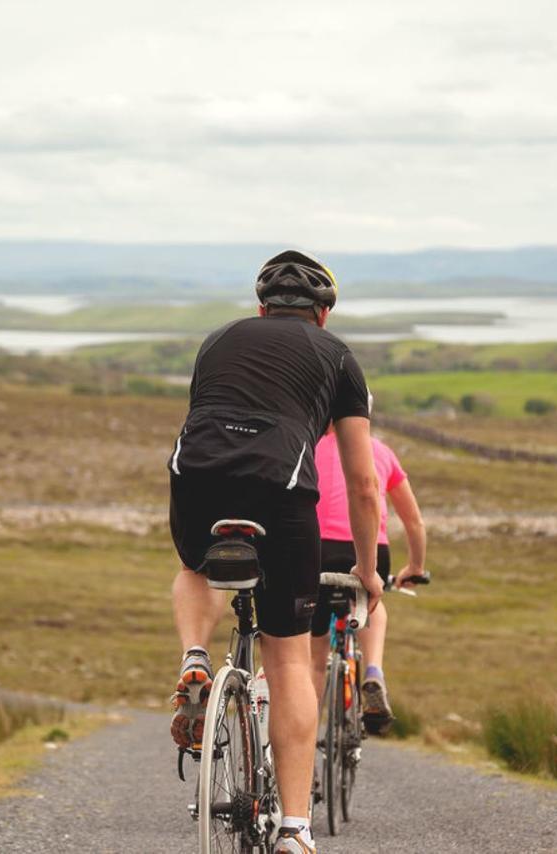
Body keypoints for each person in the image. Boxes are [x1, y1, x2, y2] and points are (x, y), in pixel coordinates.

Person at [167, 249, 382, 854]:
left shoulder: (218, 340)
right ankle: (294, 828)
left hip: (197, 475)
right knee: (288, 661)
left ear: (261, 307)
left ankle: (194, 658)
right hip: (282, 489)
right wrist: (366, 570)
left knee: (193, 567)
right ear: (323, 314)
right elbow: (364, 485)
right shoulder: (338, 356)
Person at [309, 412, 427, 735]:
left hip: (315, 548)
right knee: (372, 603)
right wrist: (415, 567)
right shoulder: (381, 452)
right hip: (369, 547)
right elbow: (414, 522)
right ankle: (373, 671)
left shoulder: (309, 445)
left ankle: (303, 741)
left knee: (313, 658)